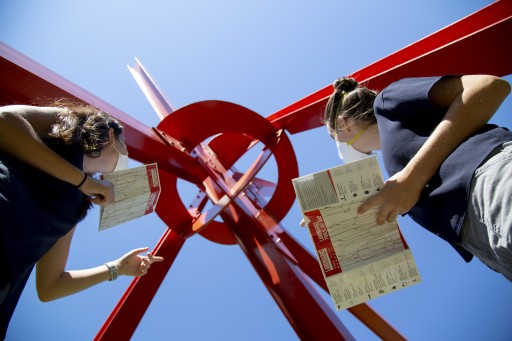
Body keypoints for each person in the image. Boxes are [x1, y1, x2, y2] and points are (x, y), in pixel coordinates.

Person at [323, 74, 512, 281]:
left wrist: (413, 176)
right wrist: (327, 217)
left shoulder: (386, 100)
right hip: (481, 238)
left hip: (490, 178)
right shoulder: (394, 164)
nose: (339, 147)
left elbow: (491, 86)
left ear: (344, 124)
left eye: (334, 138)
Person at [0, 102, 164, 339]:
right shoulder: (64, 127)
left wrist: (115, 269)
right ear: (110, 134)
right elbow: (4, 119)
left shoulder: (77, 203)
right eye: (125, 150)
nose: (125, 159)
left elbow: (50, 286)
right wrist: (82, 181)